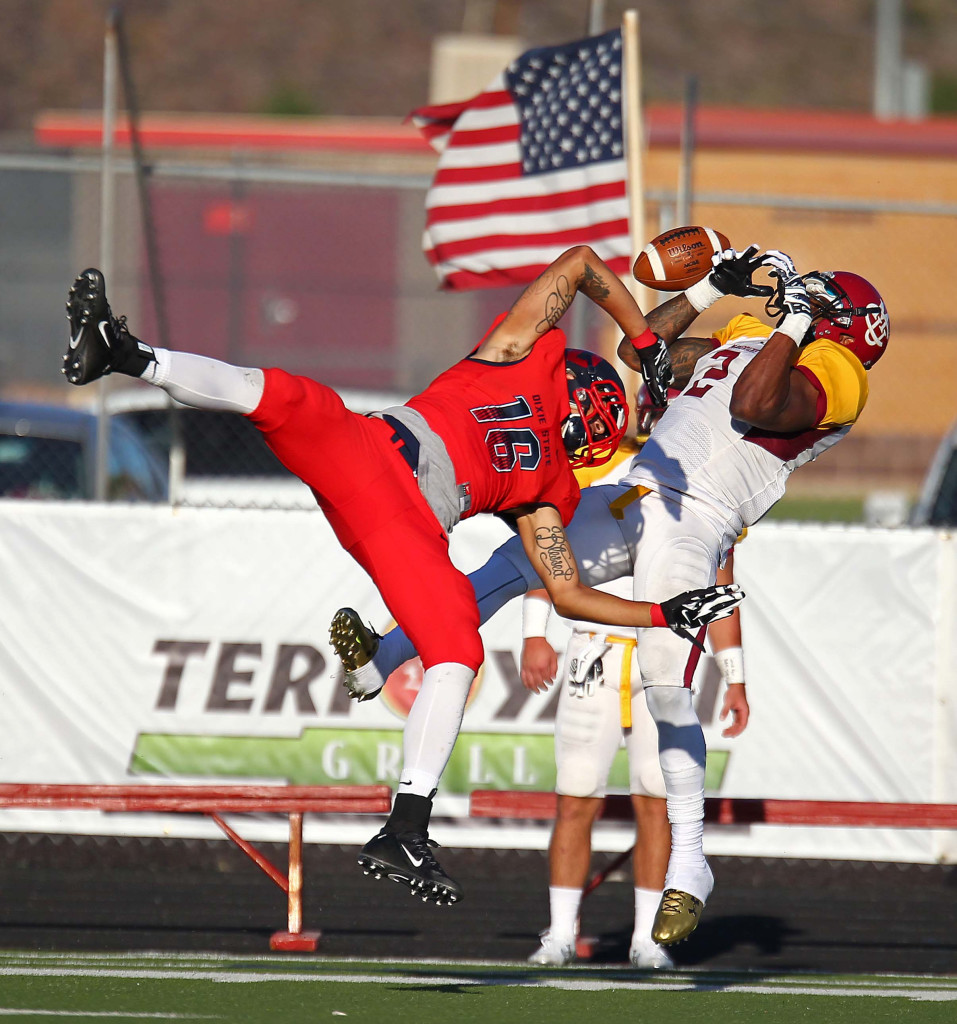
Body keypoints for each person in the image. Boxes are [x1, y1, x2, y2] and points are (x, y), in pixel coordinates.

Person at [62, 246, 742, 908]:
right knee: (453, 647)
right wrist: (661, 614)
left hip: (368, 468)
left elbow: (581, 263)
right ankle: (406, 820)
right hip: (396, 518)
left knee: (278, 394)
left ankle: (132, 357)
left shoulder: (520, 372)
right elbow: (568, 595)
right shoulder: (546, 475)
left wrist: (643, 343)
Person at [332, 244, 889, 940]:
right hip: (637, 491)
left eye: (815, 301)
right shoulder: (760, 336)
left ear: (840, 326)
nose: (792, 300)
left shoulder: (837, 374)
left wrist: (797, 326)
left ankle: (690, 863)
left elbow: (753, 401)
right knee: (516, 562)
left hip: (696, 521)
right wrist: (709, 289)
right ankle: (384, 656)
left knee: (663, 675)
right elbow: (643, 354)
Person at [522, 389, 749, 969]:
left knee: (656, 798)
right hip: (595, 646)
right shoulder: (600, 459)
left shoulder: (712, 484)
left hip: (662, 653)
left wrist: (735, 675)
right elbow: (547, 548)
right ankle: (558, 933)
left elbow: (719, 589)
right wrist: (533, 632)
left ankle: (649, 938)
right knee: (576, 795)